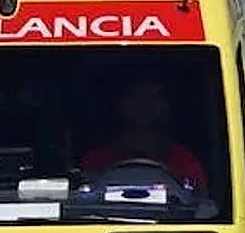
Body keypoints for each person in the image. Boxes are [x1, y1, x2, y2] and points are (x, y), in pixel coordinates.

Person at [79, 81, 209, 191]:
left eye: (152, 99)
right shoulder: (96, 160)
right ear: (122, 104)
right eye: (136, 98)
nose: (144, 106)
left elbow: (200, 206)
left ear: (164, 106)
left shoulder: (185, 162)